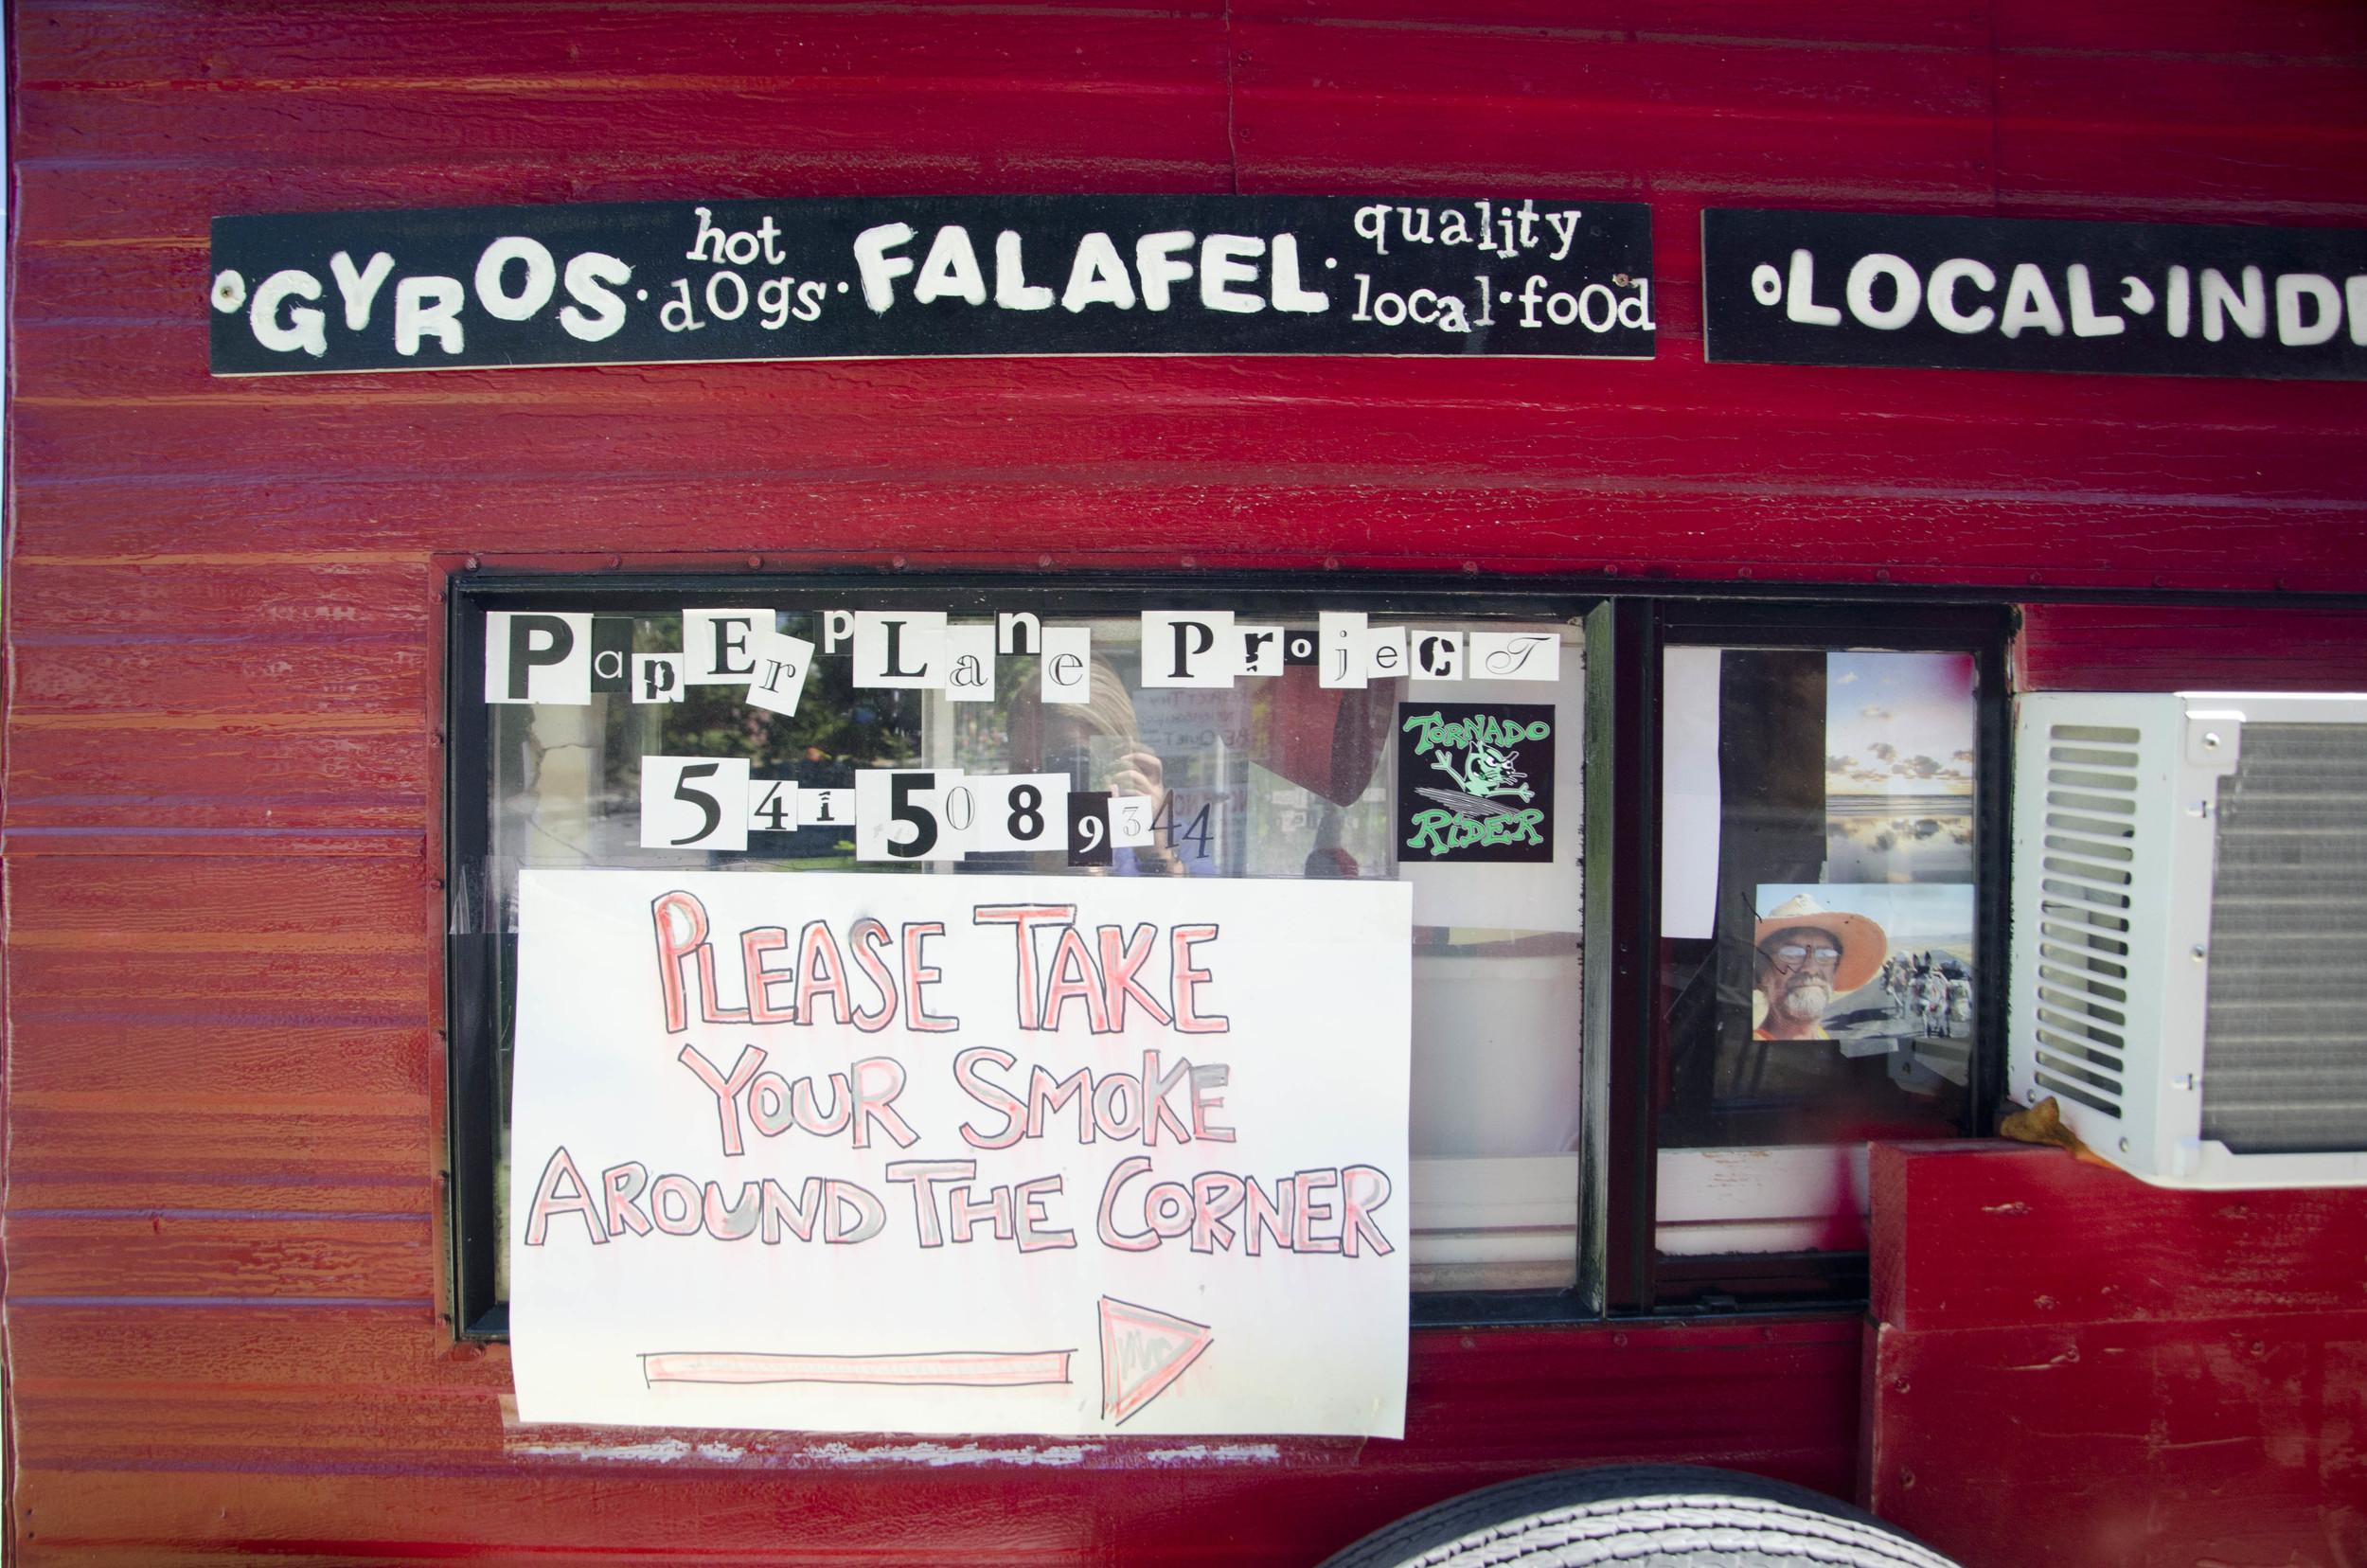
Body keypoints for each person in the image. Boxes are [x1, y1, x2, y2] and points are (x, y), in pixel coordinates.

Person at [1752, 892, 1888, 1042]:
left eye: (1826, 955)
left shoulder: (1820, 1036)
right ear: (1763, 971)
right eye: (1792, 953)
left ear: (1834, 970)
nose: (1811, 967)